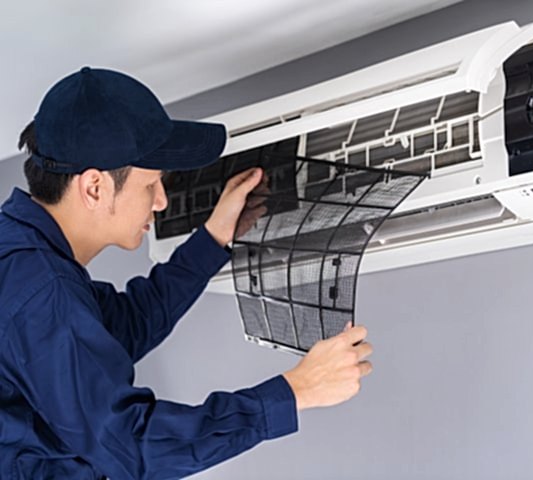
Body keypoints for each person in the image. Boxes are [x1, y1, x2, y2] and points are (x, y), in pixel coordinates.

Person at [0, 67, 373, 479]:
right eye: (151, 184)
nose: (161, 201)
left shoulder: (23, 259)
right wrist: (297, 390)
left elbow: (123, 326)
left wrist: (213, 239)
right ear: (94, 188)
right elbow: (132, 445)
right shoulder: (40, 290)